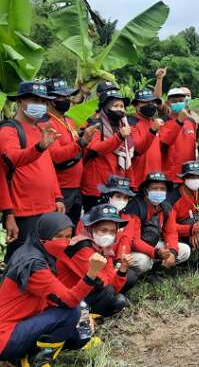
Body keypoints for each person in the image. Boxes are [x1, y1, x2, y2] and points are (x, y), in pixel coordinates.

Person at [0, 213, 107, 365]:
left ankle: (81, 340)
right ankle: (35, 358)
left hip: (17, 325)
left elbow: (54, 296)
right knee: (72, 311)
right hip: (6, 337)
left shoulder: (32, 251)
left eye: (68, 236)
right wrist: (91, 274)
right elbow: (69, 300)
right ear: (44, 235)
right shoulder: (34, 265)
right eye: (58, 236)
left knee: (79, 311)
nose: (64, 241)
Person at [0, 81, 65, 262]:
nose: (40, 105)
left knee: (43, 258)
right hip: (23, 211)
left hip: (47, 207)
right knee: (20, 260)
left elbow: (48, 168)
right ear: (20, 101)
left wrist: (57, 197)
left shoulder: (40, 129)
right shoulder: (9, 130)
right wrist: (9, 214)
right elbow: (13, 158)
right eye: (34, 100)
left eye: (43, 101)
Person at [46, 204, 134, 317]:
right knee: (112, 295)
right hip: (63, 298)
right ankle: (81, 315)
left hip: (82, 291)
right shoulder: (81, 247)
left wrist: (122, 269)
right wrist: (113, 277)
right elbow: (103, 283)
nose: (108, 235)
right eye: (103, 230)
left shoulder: (103, 248)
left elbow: (112, 283)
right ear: (91, 229)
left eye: (112, 231)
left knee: (128, 279)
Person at [44, 78, 95, 224]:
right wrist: (82, 142)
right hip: (61, 188)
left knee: (72, 227)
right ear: (50, 100)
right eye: (62, 97)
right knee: (58, 229)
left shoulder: (68, 120)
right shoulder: (46, 123)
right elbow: (56, 156)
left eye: (67, 96)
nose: (66, 99)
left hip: (76, 186)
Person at [125, 172, 191, 275]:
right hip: (133, 249)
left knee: (185, 251)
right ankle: (138, 272)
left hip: (154, 245)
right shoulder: (135, 206)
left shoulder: (166, 207)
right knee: (143, 261)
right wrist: (156, 253)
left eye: (162, 189)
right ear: (146, 191)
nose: (159, 192)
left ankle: (156, 269)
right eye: (155, 188)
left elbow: (171, 233)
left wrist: (172, 252)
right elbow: (134, 241)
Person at [81, 88, 132, 212]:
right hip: (97, 187)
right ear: (105, 107)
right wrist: (119, 137)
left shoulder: (124, 126)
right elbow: (96, 148)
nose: (120, 109)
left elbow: (130, 155)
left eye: (122, 106)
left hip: (117, 186)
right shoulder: (95, 124)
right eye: (115, 106)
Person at [160, 87, 198, 185]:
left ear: (185, 102)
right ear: (168, 103)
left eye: (181, 101)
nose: (178, 103)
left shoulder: (191, 121)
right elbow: (164, 143)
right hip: (171, 176)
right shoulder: (162, 122)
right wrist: (179, 121)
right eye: (174, 101)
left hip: (189, 175)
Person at [127, 88, 164, 190]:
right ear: (136, 105)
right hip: (137, 182)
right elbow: (137, 149)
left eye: (152, 102)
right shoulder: (130, 123)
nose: (150, 105)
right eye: (145, 102)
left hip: (155, 181)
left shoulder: (154, 122)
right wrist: (152, 130)